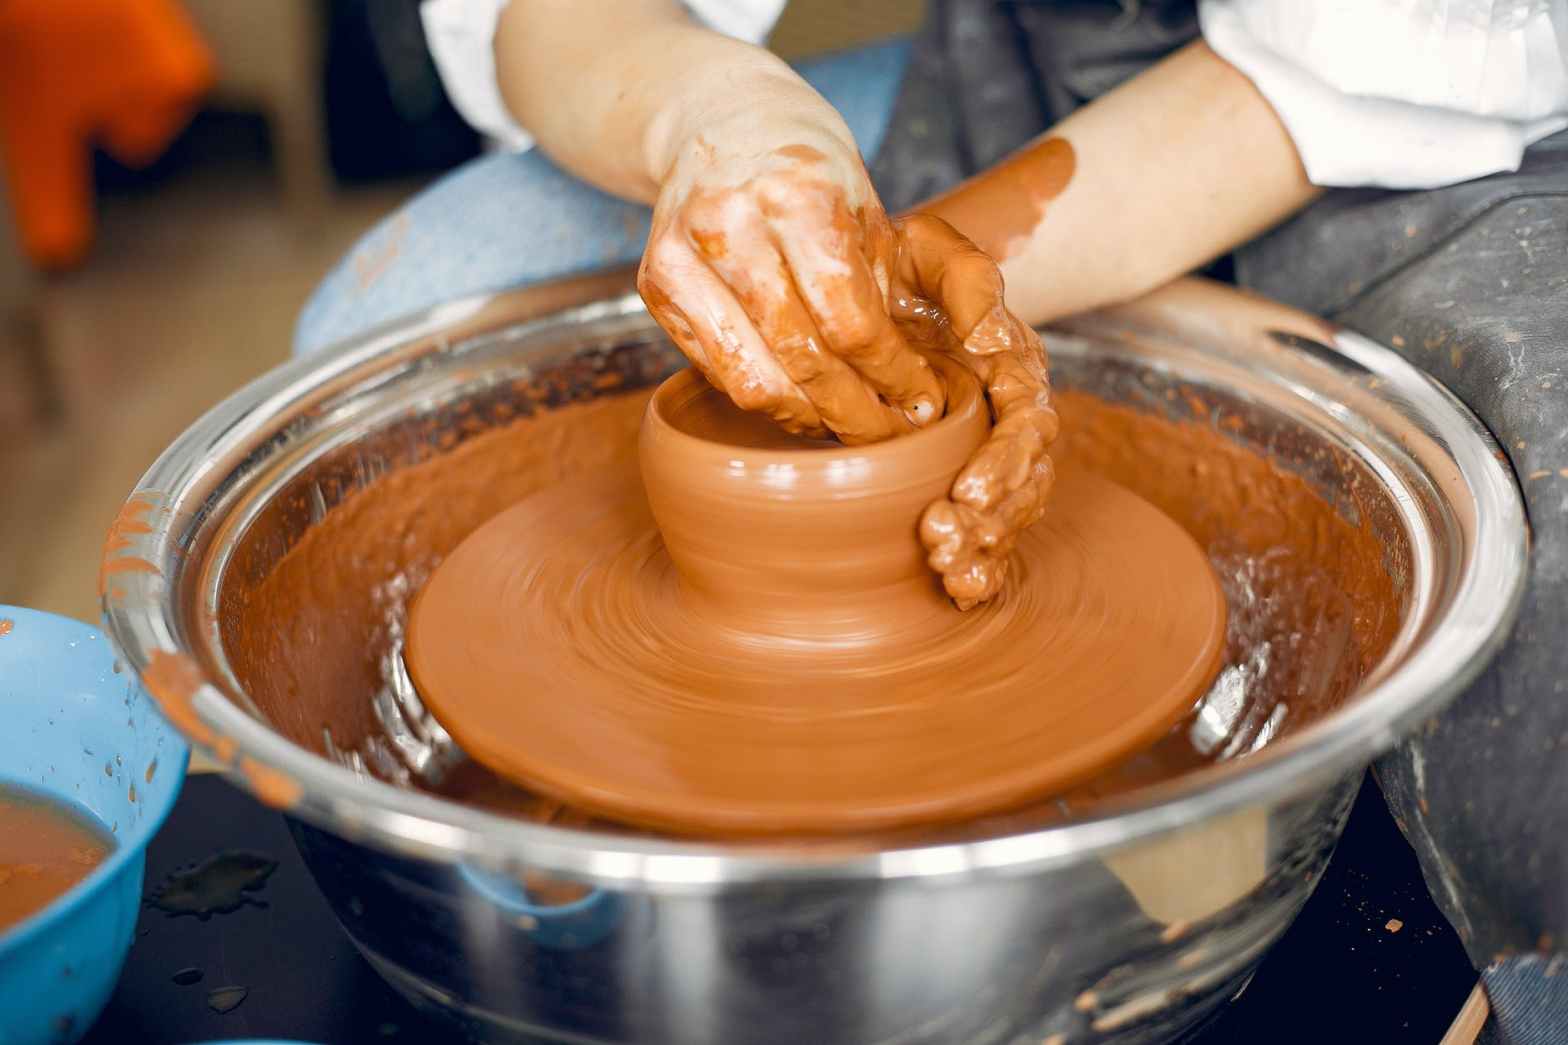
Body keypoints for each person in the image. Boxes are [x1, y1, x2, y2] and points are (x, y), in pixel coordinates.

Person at [296, 2, 1568, 1039]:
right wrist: (722, 117)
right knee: (406, 303)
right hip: (1020, 66)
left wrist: (934, 288)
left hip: (1440, 116)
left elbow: (1373, 65)